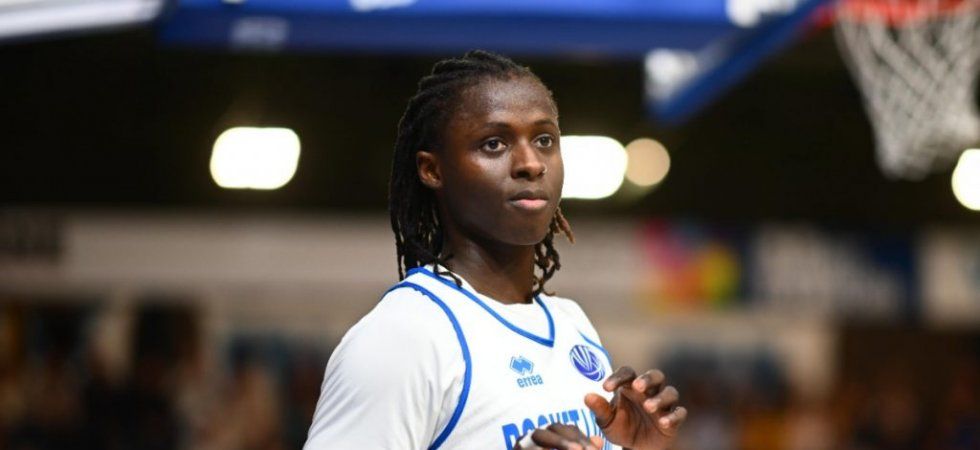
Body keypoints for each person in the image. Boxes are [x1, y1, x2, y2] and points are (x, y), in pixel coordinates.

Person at [304, 50, 686, 450]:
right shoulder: (402, 337)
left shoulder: (571, 322)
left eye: (544, 140)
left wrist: (638, 449)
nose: (531, 163)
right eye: (493, 144)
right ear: (432, 170)